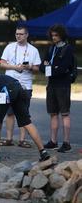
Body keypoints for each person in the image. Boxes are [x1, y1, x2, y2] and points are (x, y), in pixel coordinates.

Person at [0, 26, 41, 148]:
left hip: (25, 85)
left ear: (27, 35)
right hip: (10, 84)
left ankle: (22, 140)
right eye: (17, 34)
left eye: (21, 34)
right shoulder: (10, 47)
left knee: (24, 113)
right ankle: (9, 139)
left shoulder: (33, 50)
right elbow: (2, 64)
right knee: (10, 113)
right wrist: (15, 67)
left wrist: (29, 67)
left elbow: (37, 69)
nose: (18, 36)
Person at [39, 24, 74, 153]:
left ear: (61, 35)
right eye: (52, 35)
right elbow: (43, 66)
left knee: (65, 113)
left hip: (63, 85)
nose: (54, 38)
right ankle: (53, 141)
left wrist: (51, 67)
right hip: (51, 85)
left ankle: (66, 142)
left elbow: (64, 68)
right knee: (53, 113)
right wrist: (52, 67)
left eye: (56, 35)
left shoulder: (67, 49)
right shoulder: (51, 48)